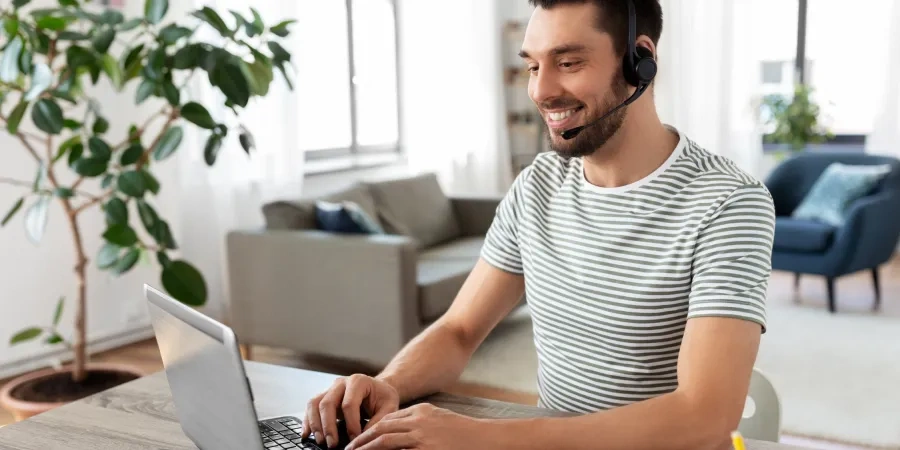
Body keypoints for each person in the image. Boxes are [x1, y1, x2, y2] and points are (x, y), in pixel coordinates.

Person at [302, 0, 776, 449]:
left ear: (640, 59)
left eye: (567, 63)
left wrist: (479, 438)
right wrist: (387, 384)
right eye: (533, 66)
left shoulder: (728, 202)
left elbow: (704, 416)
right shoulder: (537, 187)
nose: (541, 90)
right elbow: (460, 329)